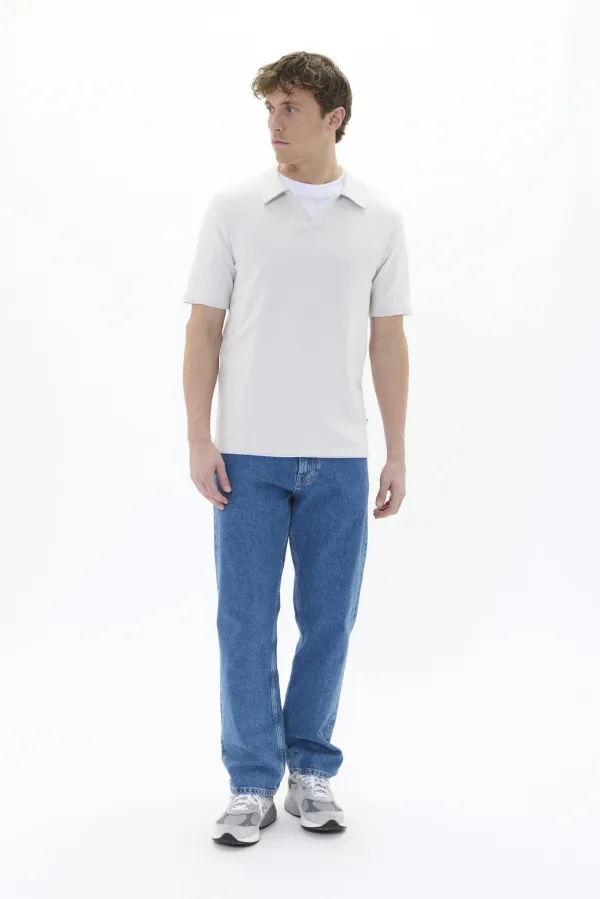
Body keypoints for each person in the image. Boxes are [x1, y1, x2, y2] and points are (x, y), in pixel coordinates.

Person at [182, 51, 411, 847]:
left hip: (340, 456)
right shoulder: (234, 209)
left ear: (333, 117)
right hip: (247, 454)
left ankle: (311, 769)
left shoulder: (378, 219)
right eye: (270, 109)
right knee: (244, 621)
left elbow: (388, 341)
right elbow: (203, 328)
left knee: (328, 621)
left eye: (290, 109)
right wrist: (199, 436)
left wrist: (397, 450)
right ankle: (251, 782)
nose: (275, 124)